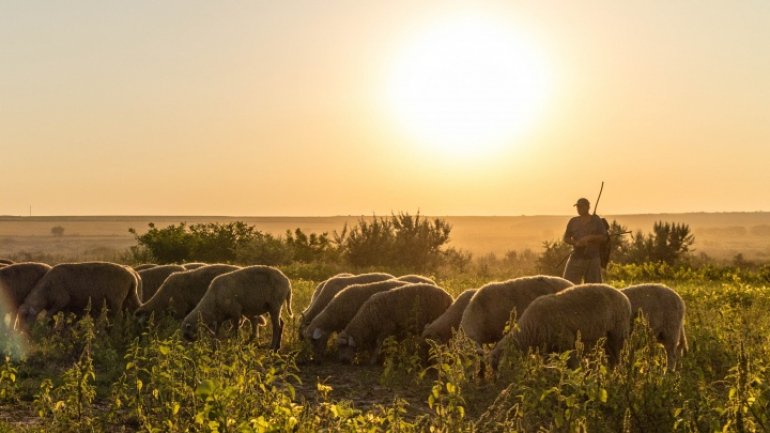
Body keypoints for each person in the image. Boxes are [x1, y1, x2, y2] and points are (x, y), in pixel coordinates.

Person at [562, 197, 609, 284]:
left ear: (588, 207)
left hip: (593, 258)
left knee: (594, 288)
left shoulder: (596, 220)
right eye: (578, 207)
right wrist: (576, 243)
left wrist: (590, 237)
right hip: (576, 257)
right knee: (568, 285)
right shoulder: (573, 221)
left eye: (581, 207)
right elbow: (566, 238)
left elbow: (604, 237)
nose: (579, 209)